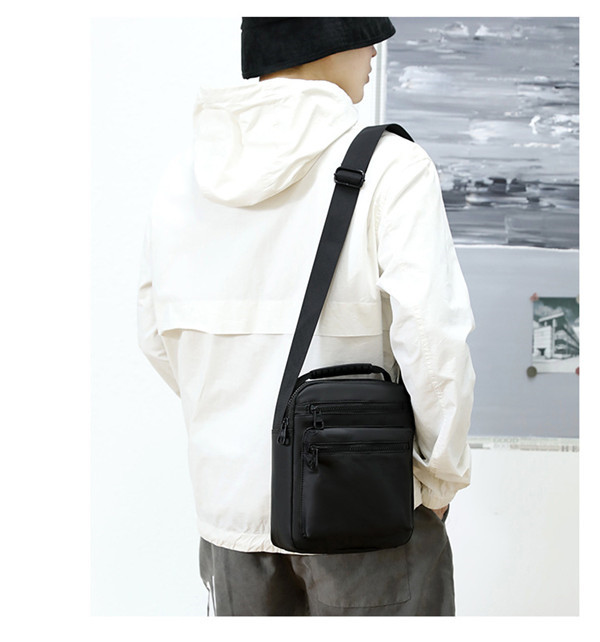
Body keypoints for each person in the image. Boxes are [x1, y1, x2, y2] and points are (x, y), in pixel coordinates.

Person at [137, 17, 475, 616]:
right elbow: (432, 341)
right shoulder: (391, 166)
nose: (374, 51)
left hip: (228, 514)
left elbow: (156, 334)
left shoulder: (184, 176)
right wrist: (438, 478)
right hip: (366, 506)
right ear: (324, 42)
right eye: (364, 34)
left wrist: (237, 419)